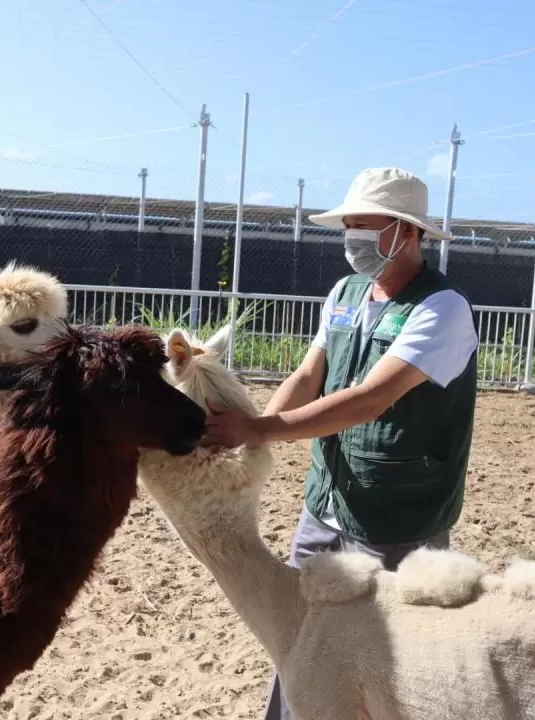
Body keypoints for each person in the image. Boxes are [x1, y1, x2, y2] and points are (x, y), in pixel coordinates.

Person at [200, 166, 480, 720]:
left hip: (399, 510)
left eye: (363, 226)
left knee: (389, 656)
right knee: (299, 635)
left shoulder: (442, 308)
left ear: (406, 231)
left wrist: (259, 430)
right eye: (347, 225)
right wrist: (252, 436)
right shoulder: (346, 293)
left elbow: (370, 399)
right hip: (326, 502)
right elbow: (309, 374)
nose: (350, 237)